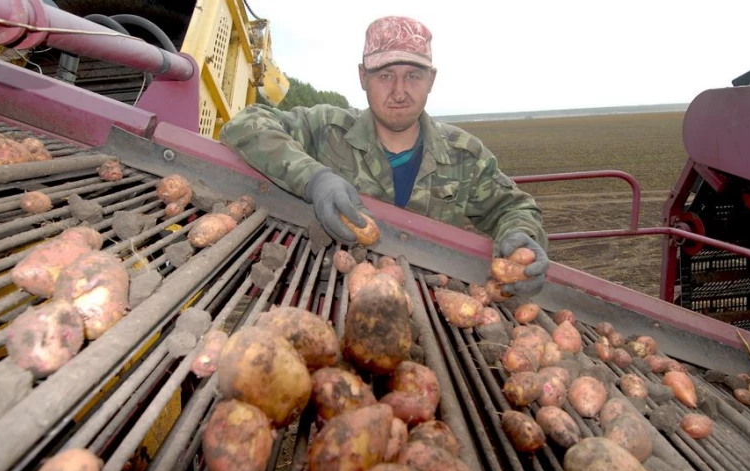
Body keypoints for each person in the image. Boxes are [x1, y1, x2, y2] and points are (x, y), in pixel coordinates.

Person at [220, 15, 550, 297]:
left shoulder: (464, 156)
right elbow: (247, 124)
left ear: (431, 80)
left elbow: (513, 206)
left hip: (428, 306)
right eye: (385, 75)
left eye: (413, 76)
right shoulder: (325, 129)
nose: (399, 91)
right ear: (363, 77)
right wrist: (314, 179)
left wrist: (520, 237)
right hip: (330, 297)